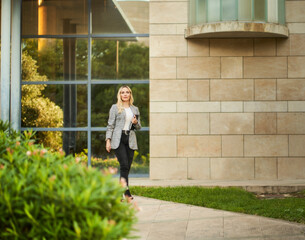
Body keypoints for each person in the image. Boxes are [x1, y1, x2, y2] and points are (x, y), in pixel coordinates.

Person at [105, 85, 141, 200]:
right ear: (119, 95)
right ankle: (126, 193)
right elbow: (110, 125)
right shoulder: (115, 108)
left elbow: (139, 127)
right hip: (118, 138)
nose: (125, 94)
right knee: (124, 165)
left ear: (130, 94)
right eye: (122, 92)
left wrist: (135, 122)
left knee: (127, 167)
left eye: (127, 92)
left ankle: (120, 191)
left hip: (130, 139)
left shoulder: (135, 109)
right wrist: (108, 141)